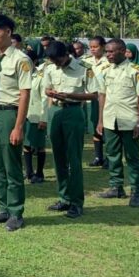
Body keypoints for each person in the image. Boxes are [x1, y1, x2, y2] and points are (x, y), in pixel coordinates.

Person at [0, 14, 32, 232]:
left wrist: (18, 126)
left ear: (8, 32)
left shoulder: (21, 59)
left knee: (12, 165)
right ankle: (2, 209)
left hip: (10, 114)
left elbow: (25, 94)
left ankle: (16, 212)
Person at [43, 41, 99, 219]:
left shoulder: (84, 68)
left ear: (67, 54)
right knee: (58, 158)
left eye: (58, 59)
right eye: (53, 61)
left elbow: (94, 94)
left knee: (74, 159)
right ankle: (64, 197)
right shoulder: (50, 68)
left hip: (73, 112)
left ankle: (76, 202)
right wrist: (50, 93)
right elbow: (46, 88)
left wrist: (70, 95)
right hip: (55, 112)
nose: (57, 64)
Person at [97, 38, 139, 207]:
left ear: (122, 51)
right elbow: (102, 96)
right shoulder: (105, 70)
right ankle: (116, 187)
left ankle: (136, 191)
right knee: (112, 155)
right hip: (111, 120)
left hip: (129, 120)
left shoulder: (136, 70)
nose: (108, 55)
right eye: (107, 52)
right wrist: (100, 121)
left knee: (132, 157)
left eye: (111, 52)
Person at [81, 36, 110, 167]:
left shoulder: (109, 61)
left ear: (103, 47)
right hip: (90, 98)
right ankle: (98, 157)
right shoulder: (85, 61)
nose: (92, 49)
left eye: (95, 47)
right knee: (95, 128)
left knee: (107, 128)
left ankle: (109, 158)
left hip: (106, 98)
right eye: (91, 47)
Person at [23, 50, 48, 184]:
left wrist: (43, 117)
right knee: (26, 144)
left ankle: (40, 172)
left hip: (37, 114)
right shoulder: (22, 75)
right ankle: (29, 172)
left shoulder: (40, 76)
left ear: (34, 62)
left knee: (39, 145)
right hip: (24, 114)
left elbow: (45, 98)